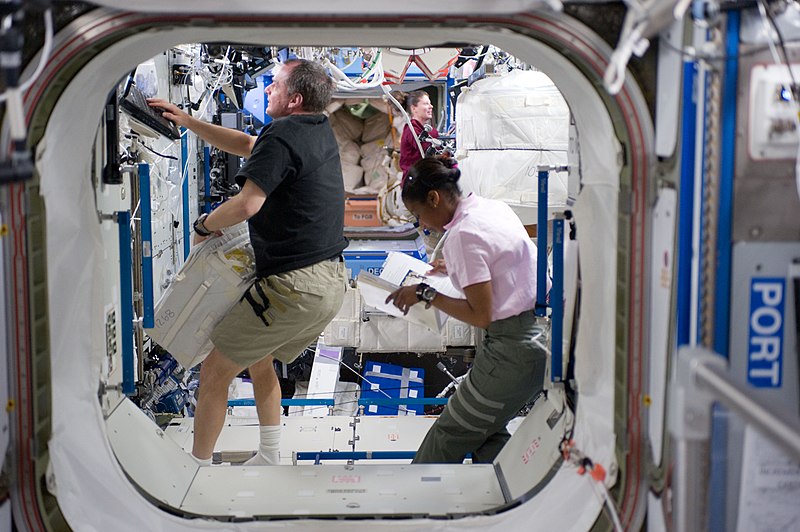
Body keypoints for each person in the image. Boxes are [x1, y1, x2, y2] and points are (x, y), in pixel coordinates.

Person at [148, 59, 348, 466]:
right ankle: (271, 455)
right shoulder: (315, 130)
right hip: (329, 283)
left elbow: (248, 204)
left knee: (215, 371)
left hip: (294, 287)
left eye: (273, 85)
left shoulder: (283, 133)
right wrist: (188, 121)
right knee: (260, 358)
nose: (266, 89)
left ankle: (197, 469)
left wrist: (203, 225)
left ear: (293, 99)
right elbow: (245, 144)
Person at [385, 156, 548, 464]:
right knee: (486, 433)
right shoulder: (491, 208)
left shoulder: (462, 235)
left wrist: (424, 293)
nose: (421, 223)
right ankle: (507, 500)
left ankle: (415, 505)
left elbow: (481, 315)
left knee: (447, 435)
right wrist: (454, 269)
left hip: (510, 352)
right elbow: (500, 263)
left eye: (418, 213)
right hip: (538, 339)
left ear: (434, 198)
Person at [398, 90, 439, 180]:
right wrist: (435, 134)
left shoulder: (420, 129)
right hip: (415, 183)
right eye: (426, 104)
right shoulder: (411, 129)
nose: (431, 106)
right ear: (414, 108)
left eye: (430, 103)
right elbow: (427, 148)